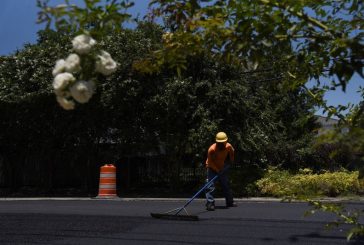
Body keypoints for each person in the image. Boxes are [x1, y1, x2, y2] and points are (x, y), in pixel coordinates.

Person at [205, 131, 237, 211]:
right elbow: (210, 162)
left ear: (226, 141)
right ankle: (210, 203)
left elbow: (232, 153)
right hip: (212, 168)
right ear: (216, 142)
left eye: (222, 142)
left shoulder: (228, 146)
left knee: (226, 185)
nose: (221, 144)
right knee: (210, 186)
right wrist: (217, 170)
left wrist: (231, 161)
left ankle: (230, 202)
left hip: (222, 168)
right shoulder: (212, 149)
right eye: (219, 143)